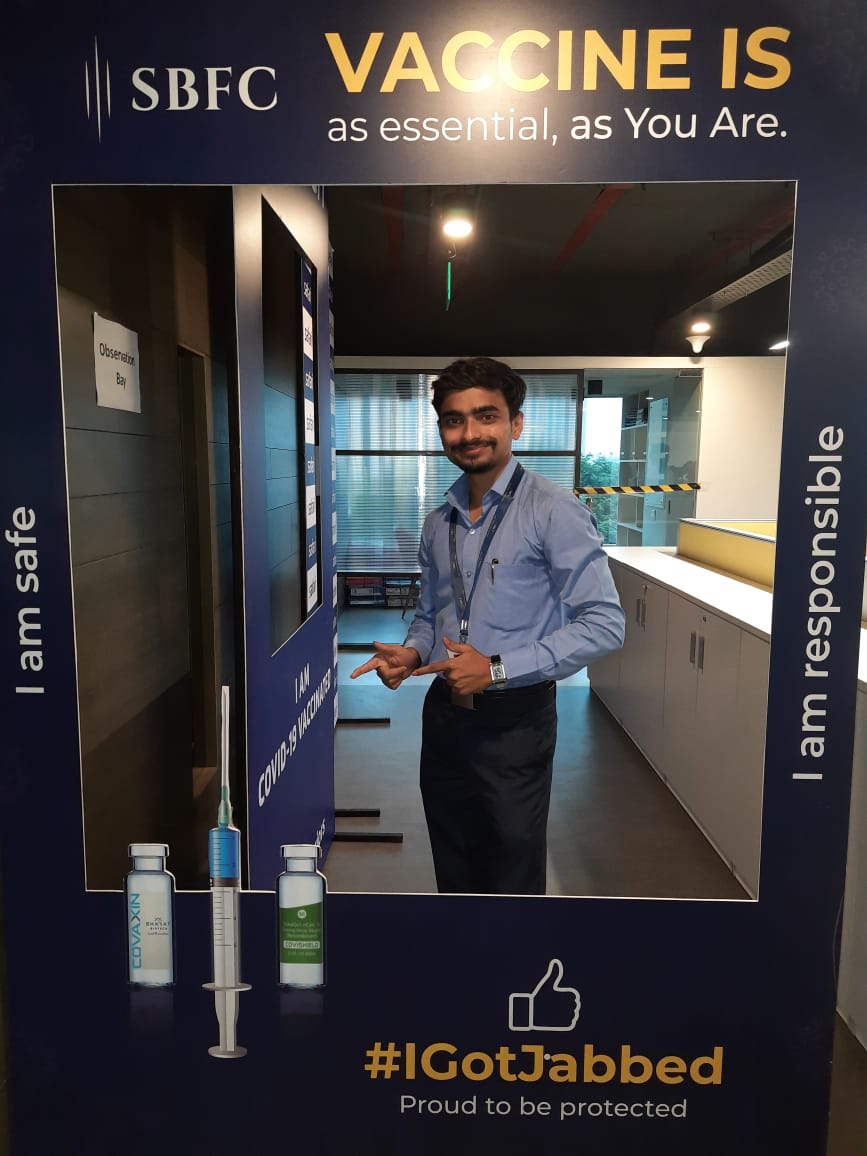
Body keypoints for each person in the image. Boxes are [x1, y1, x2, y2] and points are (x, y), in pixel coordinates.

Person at [350, 357, 625, 895]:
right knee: (452, 869)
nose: (470, 433)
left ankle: (510, 956)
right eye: (454, 420)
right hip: (445, 718)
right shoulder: (438, 523)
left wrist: (496, 669)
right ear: (441, 430)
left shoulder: (554, 511)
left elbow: (605, 623)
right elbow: (430, 615)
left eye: (486, 416)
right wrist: (413, 652)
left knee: (511, 879)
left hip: (515, 724)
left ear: (515, 424)